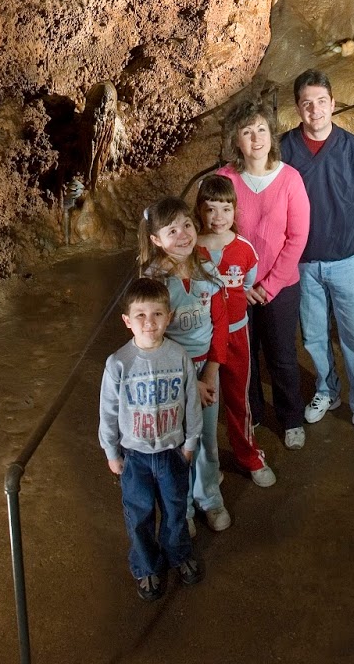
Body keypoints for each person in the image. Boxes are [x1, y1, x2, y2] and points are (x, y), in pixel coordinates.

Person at [281, 69, 354, 445]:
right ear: (298, 108)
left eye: (321, 101)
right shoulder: (285, 150)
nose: (315, 110)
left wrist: (346, 225)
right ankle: (327, 391)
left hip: (345, 261)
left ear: (333, 103)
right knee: (313, 335)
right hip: (303, 261)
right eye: (307, 103)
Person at [97, 277, 204, 601]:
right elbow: (108, 410)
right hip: (136, 456)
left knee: (175, 511)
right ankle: (146, 566)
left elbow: (191, 402)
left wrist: (190, 443)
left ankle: (177, 554)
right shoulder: (118, 363)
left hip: (172, 452)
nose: (149, 322)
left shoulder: (179, 356)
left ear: (168, 316)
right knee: (139, 514)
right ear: (127, 321)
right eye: (140, 315)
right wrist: (111, 451)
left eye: (157, 314)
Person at [219, 99, 311, 448]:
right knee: (244, 355)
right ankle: (253, 412)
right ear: (237, 141)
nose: (256, 138)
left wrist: (268, 285)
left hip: (280, 287)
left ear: (271, 135)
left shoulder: (290, 179)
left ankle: (290, 418)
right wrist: (242, 284)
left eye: (261, 129)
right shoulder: (225, 179)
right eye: (247, 131)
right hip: (236, 286)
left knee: (282, 355)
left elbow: (297, 237)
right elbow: (216, 231)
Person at [139, 197, 233, 530]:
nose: (183, 235)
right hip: (171, 375)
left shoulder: (205, 265)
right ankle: (183, 510)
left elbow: (220, 322)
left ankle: (209, 498)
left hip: (206, 370)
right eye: (172, 230)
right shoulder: (154, 282)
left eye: (187, 225)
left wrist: (211, 369)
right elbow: (152, 339)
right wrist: (189, 381)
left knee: (206, 437)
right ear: (155, 240)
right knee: (179, 441)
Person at [195, 175, 276, 486]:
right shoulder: (192, 250)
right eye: (210, 209)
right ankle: (208, 466)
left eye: (225, 209)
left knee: (238, 398)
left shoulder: (244, 249)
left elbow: (245, 283)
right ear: (199, 211)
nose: (218, 218)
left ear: (235, 211)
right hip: (202, 338)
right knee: (205, 404)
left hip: (236, 334)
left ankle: (248, 455)